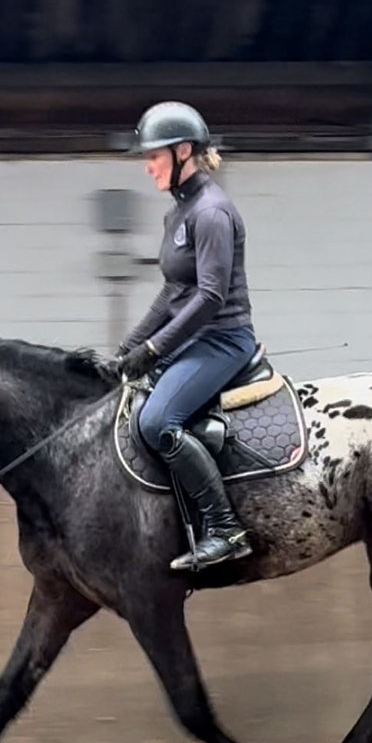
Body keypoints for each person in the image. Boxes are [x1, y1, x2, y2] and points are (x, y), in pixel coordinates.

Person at [114, 101, 258, 572]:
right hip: (196, 339)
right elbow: (173, 293)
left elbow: (211, 297)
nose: (147, 165)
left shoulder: (211, 212)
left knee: (157, 422)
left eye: (154, 155)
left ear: (183, 151)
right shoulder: (177, 216)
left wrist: (155, 349)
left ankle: (225, 529)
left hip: (223, 341)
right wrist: (127, 349)